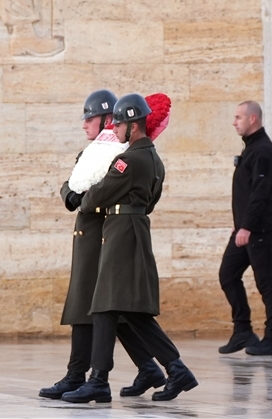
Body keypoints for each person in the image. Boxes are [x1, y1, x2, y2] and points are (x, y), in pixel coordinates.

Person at [63, 94, 197, 404]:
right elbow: (150, 202)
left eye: (119, 123)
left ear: (133, 126)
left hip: (122, 234)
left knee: (106, 307)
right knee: (123, 311)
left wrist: (83, 196)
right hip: (131, 229)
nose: (115, 129)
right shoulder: (153, 159)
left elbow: (95, 197)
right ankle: (174, 370)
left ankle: (99, 380)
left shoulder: (129, 160)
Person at [39, 90, 166, 400]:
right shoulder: (94, 153)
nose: (85, 124)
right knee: (104, 311)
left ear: (109, 120)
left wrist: (82, 199)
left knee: (96, 308)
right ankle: (146, 367)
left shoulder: (118, 155)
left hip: (103, 236)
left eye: (90, 118)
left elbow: (103, 193)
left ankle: (79, 375)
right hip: (92, 236)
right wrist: (70, 194)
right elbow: (74, 181)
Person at [218, 101, 272, 356]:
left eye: (238, 117)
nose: (234, 122)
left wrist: (245, 227)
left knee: (266, 282)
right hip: (245, 230)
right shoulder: (251, 149)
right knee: (228, 274)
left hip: (259, 230)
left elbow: (260, 194)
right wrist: (241, 228)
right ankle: (243, 331)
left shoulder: (263, 152)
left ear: (253, 119)